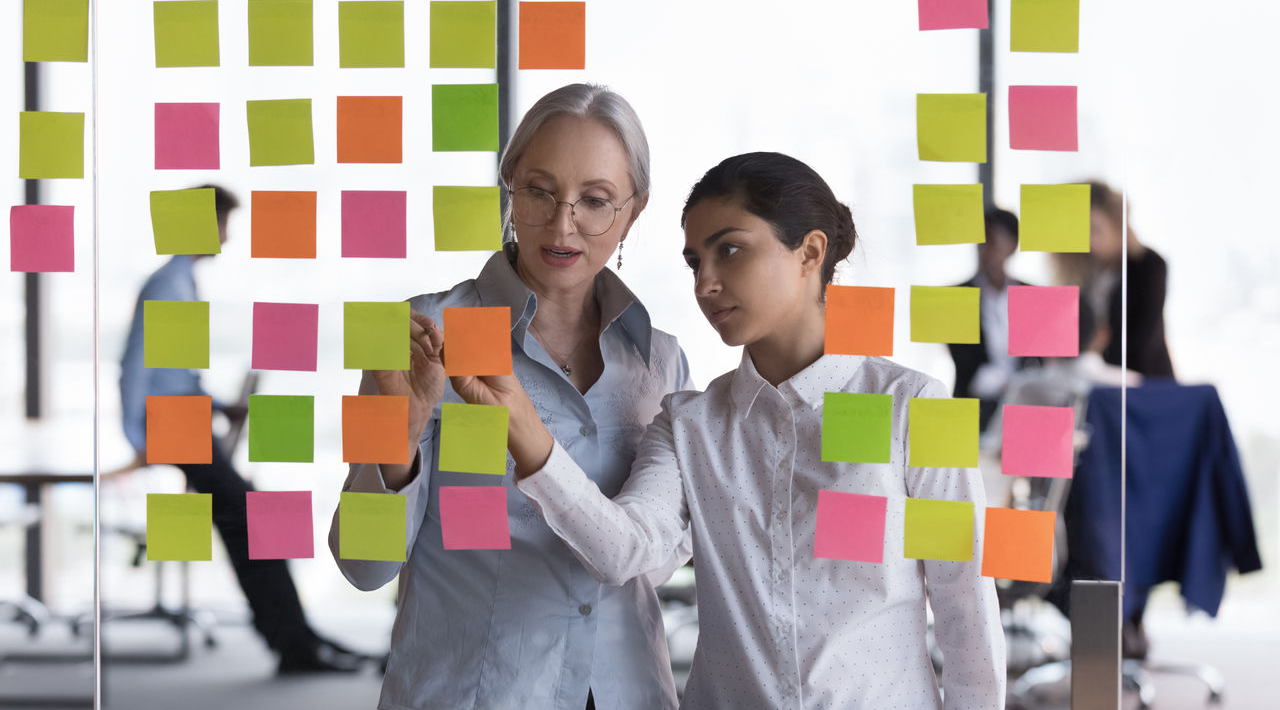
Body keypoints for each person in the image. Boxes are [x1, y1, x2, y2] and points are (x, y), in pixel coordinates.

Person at [450, 153, 1005, 707]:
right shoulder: (690, 423)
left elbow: (968, 619)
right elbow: (624, 552)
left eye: (730, 250)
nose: (706, 284)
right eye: (695, 262)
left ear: (810, 252)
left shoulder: (917, 406)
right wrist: (524, 430)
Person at [329, 84, 693, 710]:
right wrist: (401, 433)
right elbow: (363, 568)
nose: (561, 224)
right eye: (540, 191)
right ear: (509, 183)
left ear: (633, 210)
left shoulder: (660, 362)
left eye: (595, 201)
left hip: (626, 691)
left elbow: (654, 558)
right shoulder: (420, 333)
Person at [119, 184, 362, 674]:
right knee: (252, 516)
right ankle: (294, 642)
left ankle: (297, 636)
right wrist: (140, 439)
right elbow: (137, 371)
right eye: (221, 224)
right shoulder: (169, 284)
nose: (226, 238)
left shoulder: (179, 281)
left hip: (182, 420)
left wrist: (217, 404)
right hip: (172, 426)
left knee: (250, 514)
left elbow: (174, 375)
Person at [1051, 181, 1174, 377]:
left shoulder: (1148, 266)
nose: (1090, 240)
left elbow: (1142, 342)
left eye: (1095, 229)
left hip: (1142, 383)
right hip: (1092, 382)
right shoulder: (1083, 271)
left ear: (1117, 225)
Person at [947, 208, 1037, 431]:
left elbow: (1042, 359)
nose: (985, 249)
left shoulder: (1033, 296)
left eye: (992, 240)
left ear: (1013, 245)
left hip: (1026, 406)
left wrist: (1022, 385)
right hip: (975, 409)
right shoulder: (956, 298)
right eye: (981, 241)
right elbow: (963, 361)